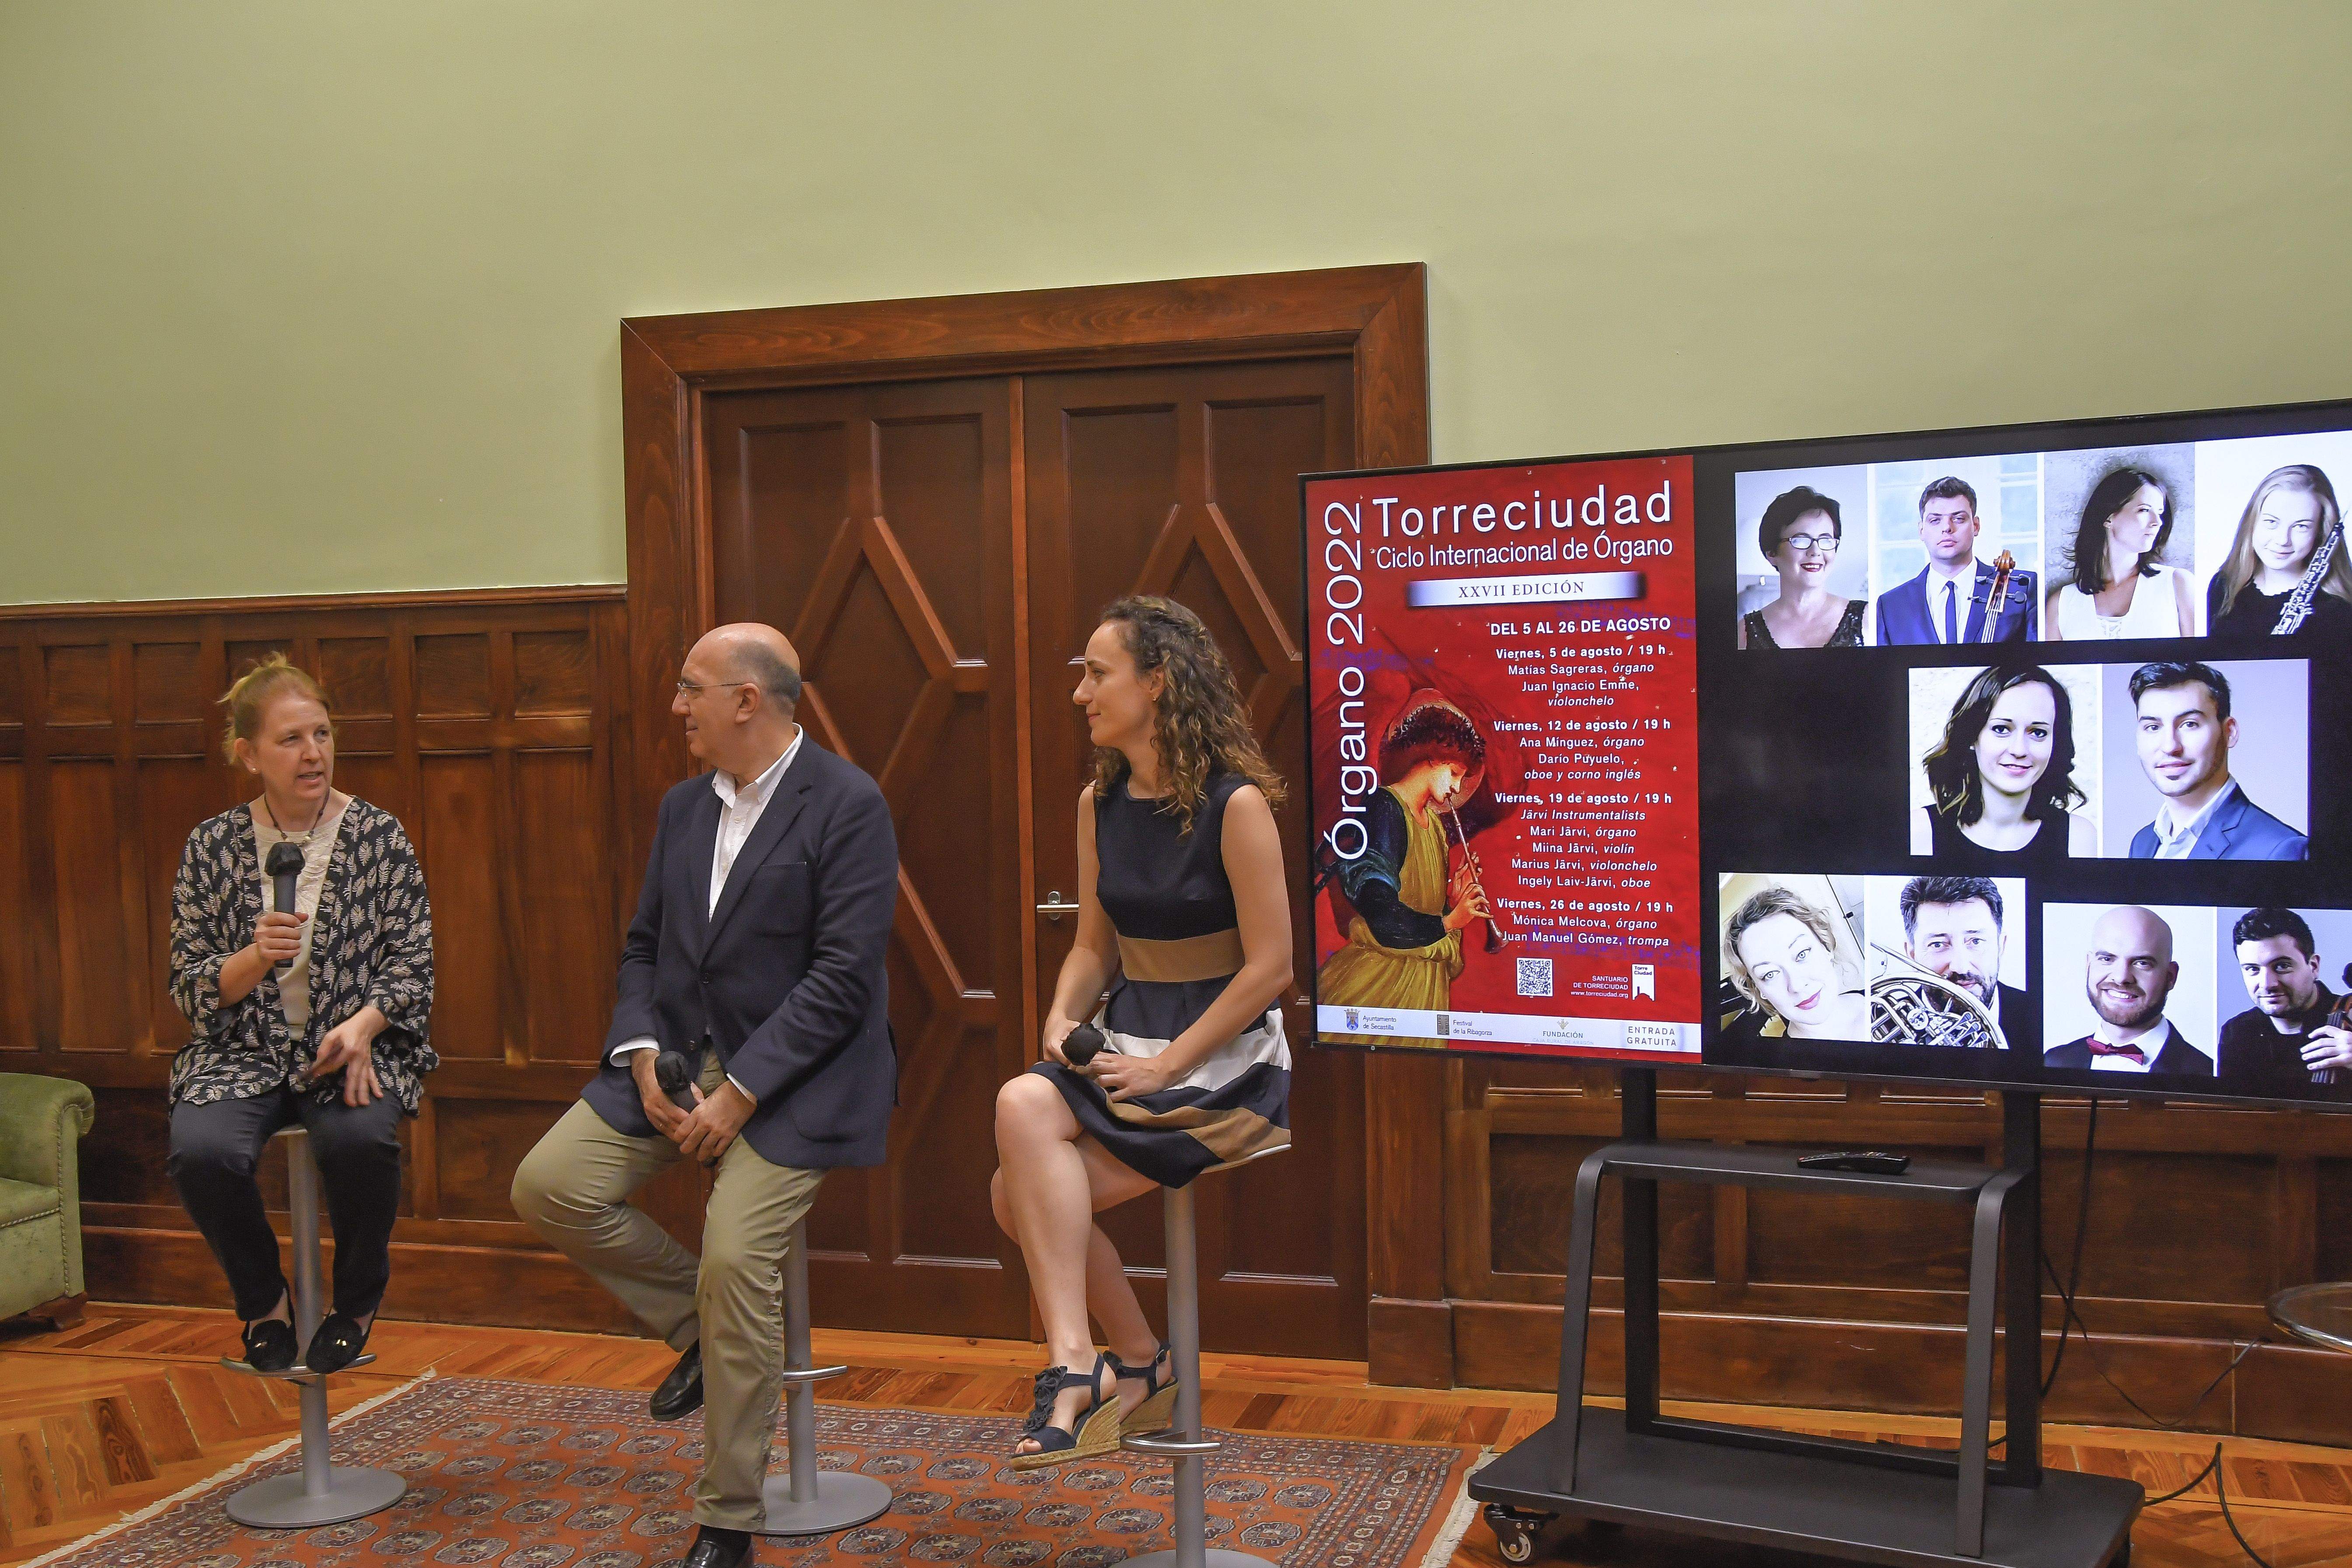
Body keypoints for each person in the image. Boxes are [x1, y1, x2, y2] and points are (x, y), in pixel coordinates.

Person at [511, 623, 898, 1568]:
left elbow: (843, 976)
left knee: (735, 1259)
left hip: (801, 1079)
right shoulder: (683, 806)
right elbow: (644, 946)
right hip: (677, 1061)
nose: (676, 705)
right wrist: (639, 1054)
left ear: (746, 700)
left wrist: (746, 1091)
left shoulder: (847, 803)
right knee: (546, 1182)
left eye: (690, 687)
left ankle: (727, 1515)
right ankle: (698, 1329)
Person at [992, 597, 1292, 1469]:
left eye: (1097, 673)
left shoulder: (1235, 806)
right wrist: (1060, 1014)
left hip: (1222, 1057)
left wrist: (1170, 1060)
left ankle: (1111, 1362)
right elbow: (1092, 942)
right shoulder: (1099, 801)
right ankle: (1096, 1360)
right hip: (1127, 1034)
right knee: (1019, 1110)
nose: (1080, 692)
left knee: (1016, 1198)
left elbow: (1270, 968)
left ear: (1156, 682)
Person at [166, 656, 435, 1377]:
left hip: (349, 1047)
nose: (313, 752)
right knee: (202, 1151)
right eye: (290, 739)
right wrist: (253, 956)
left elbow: (413, 965)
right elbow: (190, 987)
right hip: (239, 1053)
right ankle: (263, 1305)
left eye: (321, 734)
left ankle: (354, 1305)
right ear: (248, 753)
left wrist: (368, 1026)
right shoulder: (211, 846)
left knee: (360, 1143)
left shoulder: (378, 835)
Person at [1315, 690, 1492, 1048]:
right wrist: (1449, 921)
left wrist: (1451, 902)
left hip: (1422, 993)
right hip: (1378, 991)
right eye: (1454, 773)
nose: (1457, 788)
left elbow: (1421, 920)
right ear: (1431, 758)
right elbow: (1382, 915)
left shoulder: (1436, 828)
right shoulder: (1384, 808)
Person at [1911, 665, 2095, 868]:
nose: (2019, 750)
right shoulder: (1920, 831)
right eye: (2001, 729)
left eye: (2038, 733)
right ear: (1973, 736)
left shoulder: (2079, 838)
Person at [2125, 660, 2307, 860]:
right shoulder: (2143, 842)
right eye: (2153, 727)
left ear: (2229, 732)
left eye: (2190, 724)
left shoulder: (2281, 849)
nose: (2170, 746)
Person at [2044, 906, 2211, 1075]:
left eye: (2142, 963)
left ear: (2170, 977)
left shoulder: (2207, 1072)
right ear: (2089, 966)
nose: (2121, 978)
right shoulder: (2053, 1062)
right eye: (2107, 959)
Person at [1874, 476, 2036, 644]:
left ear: (1976, 526)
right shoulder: (1891, 605)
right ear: (1922, 530)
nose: (1947, 528)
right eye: (1935, 520)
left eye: (1958, 519)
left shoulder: (2023, 587)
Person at [2045, 467, 2197, 640]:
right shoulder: (2061, 604)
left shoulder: (2178, 584)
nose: (2158, 522)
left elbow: (2200, 664)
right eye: (2144, 510)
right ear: (2109, 517)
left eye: (2160, 513)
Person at [2206, 464, 2352, 639]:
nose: (2283, 540)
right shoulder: (2223, 586)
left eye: (2301, 526)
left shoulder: (2339, 610)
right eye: (2271, 522)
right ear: (2252, 522)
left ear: (2320, 532)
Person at [2217, 907, 2351, 1092]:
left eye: (2282, 966)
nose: (2267, 984)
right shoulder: (2237, 1033)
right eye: (2252, 969)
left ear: (2313, 966)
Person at [1723, 885, 1870, 1042]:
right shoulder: (1781, 1065)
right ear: (1758, 989)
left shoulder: (1890, 1000)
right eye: (1770, 974)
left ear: (1825, 945)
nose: (1797, 986)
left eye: (1802, 954)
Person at [1895, 875, 2025, 1047]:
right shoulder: (1872, 1018)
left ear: (2001, 946)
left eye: (1976, 941)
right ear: (1912, 955)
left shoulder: (2038, 1016)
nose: (1961, 967)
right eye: (1938, 944)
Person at [1739, 485, 1866, 649]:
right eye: (1801, 540)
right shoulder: (1745, 631)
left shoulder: (1866, 618)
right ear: (1772, 553)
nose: (1816, 551)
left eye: (1826, 540)